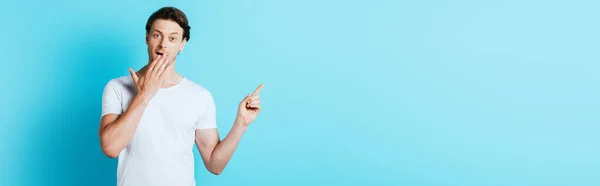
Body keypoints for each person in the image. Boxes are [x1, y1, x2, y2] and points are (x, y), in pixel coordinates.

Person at [98, 6, 263, 186]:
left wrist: (241, 124)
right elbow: (110, 148)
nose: (163, 44)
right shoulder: (117, 87)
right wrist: (144, 95)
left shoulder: (199, 96)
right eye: (157, 35)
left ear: (182, 44)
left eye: (172, 38)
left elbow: (215, 165)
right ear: (147, 38)